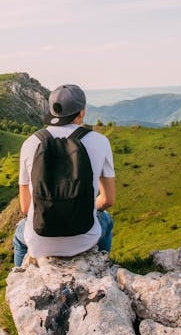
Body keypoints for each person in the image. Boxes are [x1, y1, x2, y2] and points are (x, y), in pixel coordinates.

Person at [13, 84, 116, 267]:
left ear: (52, 110)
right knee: (106, 219)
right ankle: (101, 265)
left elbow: (25, 207)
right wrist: (81, 206)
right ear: (81, 112)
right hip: (84, 239)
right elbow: (108, 200)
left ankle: (20, 272)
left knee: (20, 234)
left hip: (40, 240)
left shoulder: (30, 143)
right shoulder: (100, 142)